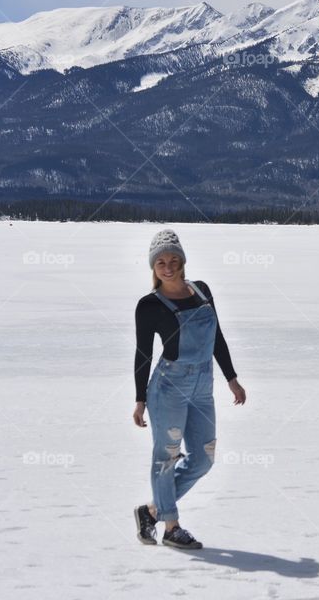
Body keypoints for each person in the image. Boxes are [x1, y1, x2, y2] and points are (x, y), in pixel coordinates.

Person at [131, 229, 247, 549]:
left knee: (203, 459)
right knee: (166, 456)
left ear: (182, 261)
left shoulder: (202, 290)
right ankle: (171, 527)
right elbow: (143, 354)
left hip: (202, 385)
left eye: (173, 260)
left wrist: (231, 378)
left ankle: (152, 511)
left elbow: (216, 337)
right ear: (153, 268)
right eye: (160, 262)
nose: (167, 267)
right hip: (168, 387)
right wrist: (140, 400)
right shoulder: (149, 306)